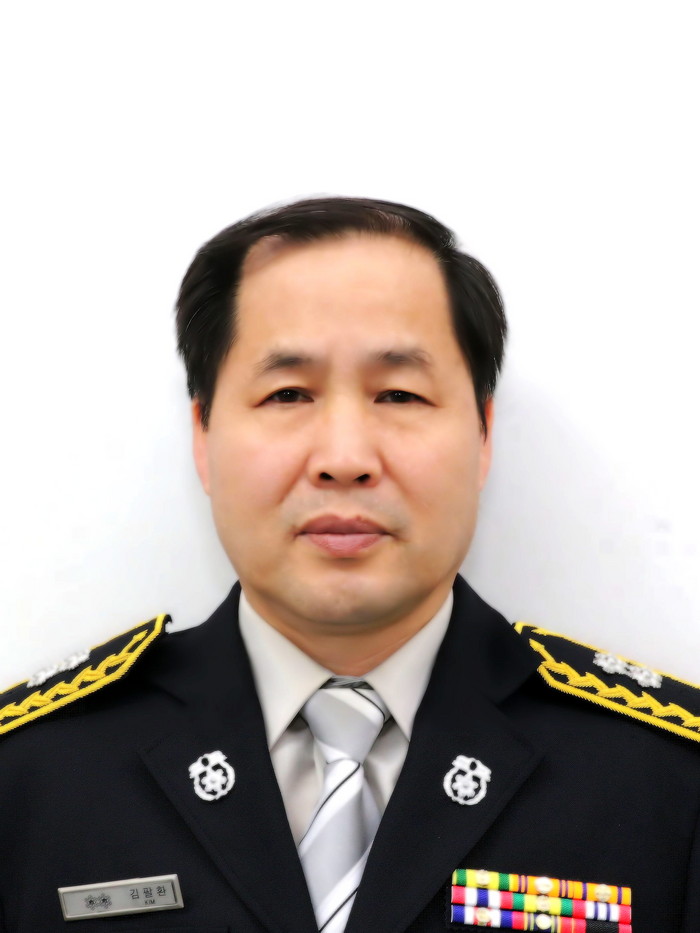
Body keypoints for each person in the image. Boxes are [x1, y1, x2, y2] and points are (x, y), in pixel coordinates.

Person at [1, 197, 699, 933]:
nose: (344, 458)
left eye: (399, 394)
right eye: (287, 393)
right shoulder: (33, 776)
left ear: (483, 434)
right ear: (203, 434)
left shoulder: (664, 781)